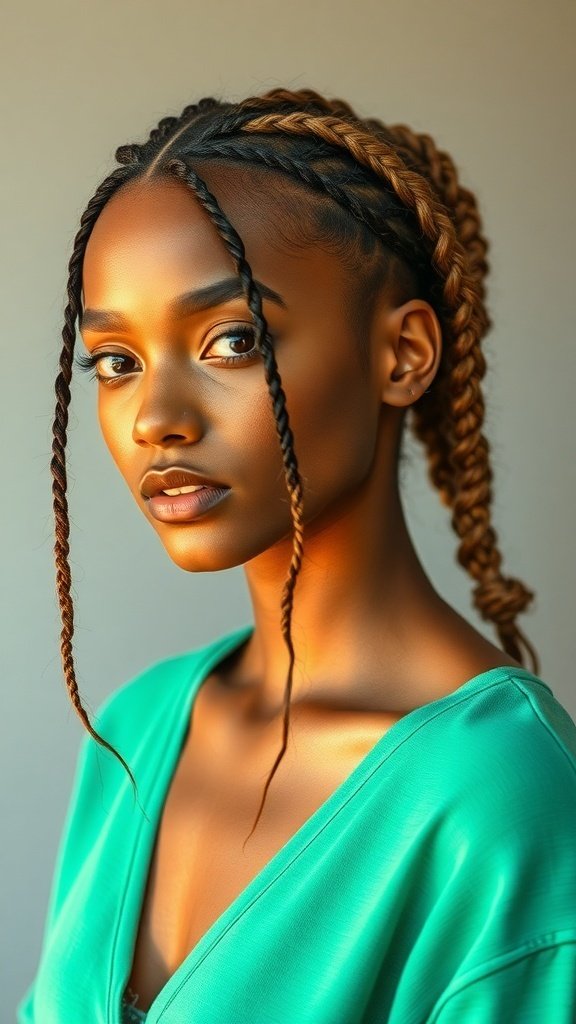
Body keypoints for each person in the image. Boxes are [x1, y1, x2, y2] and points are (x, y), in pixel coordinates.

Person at [17, 87, 576, 1023]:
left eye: (231, 340)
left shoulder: (505, 807)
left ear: (402, 354)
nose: (157, 418)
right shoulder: (137, 728)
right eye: (115, 361)